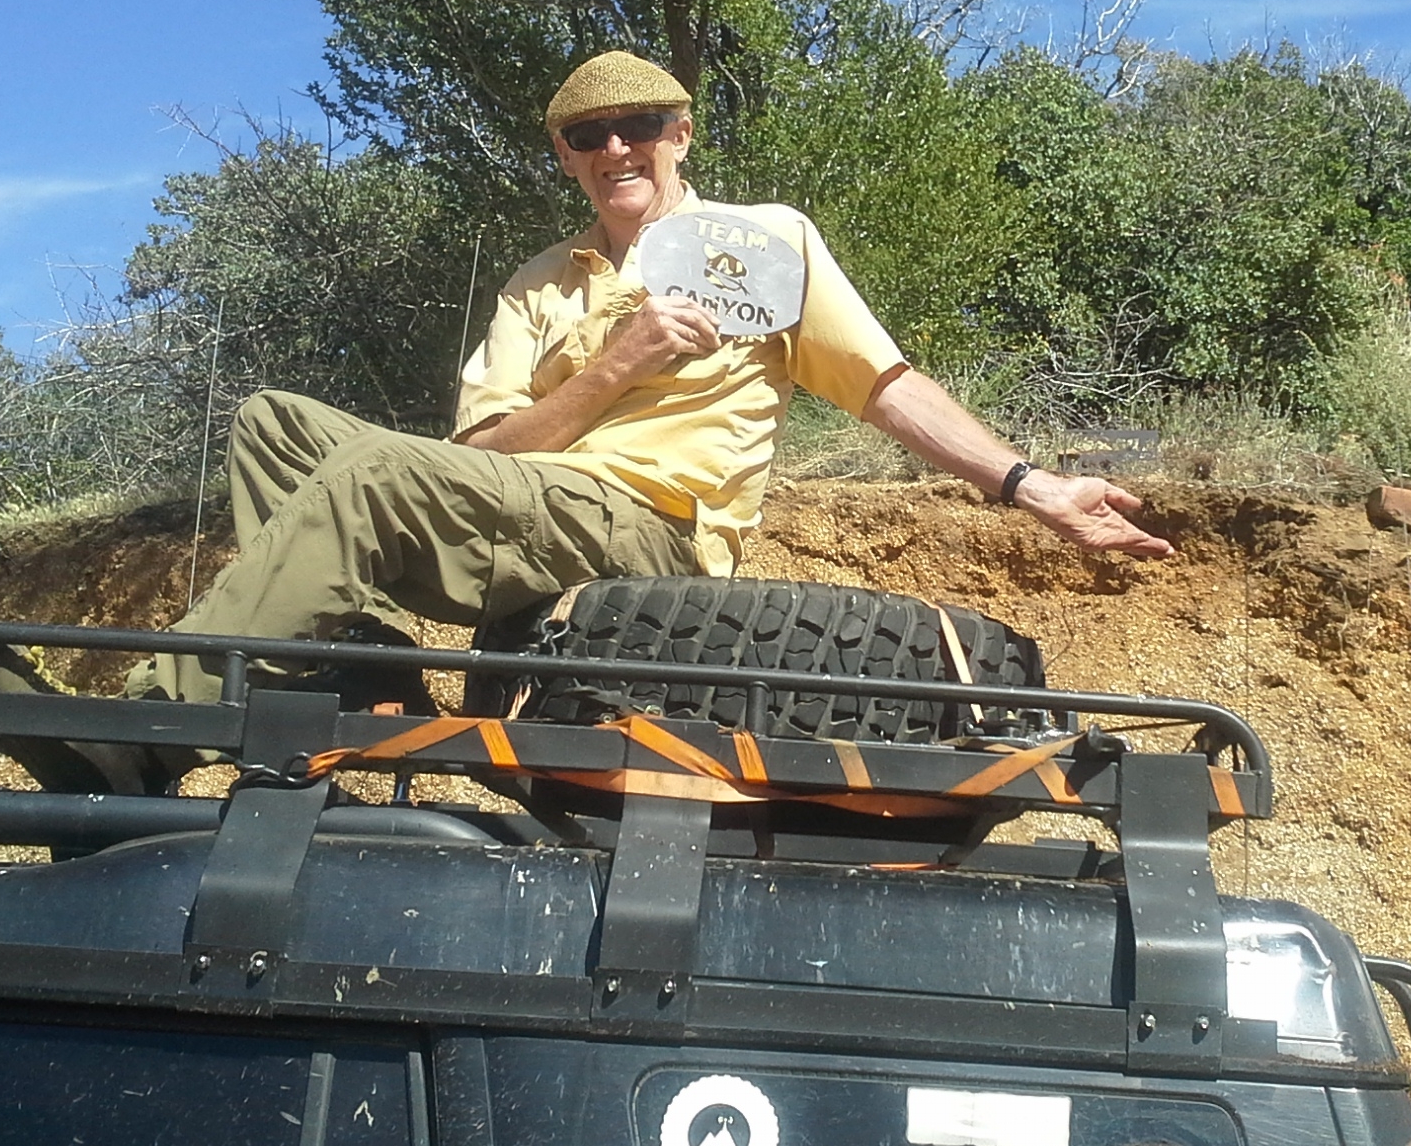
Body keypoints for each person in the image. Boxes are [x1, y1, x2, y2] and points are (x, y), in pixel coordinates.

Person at [127, 49, 1169, 704]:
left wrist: (1033, 488)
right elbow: (480, 453)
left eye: (639, 127)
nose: (616, 147)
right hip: (524, 503)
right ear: (566, 155)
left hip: (652, 531)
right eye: (590, 136)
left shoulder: (762, 242)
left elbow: (883, 385)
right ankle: (347, 666)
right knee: (274, 423)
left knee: (371, 475)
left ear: (681, 135)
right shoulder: (540, 282)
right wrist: (616, 367)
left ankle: (148, 720)